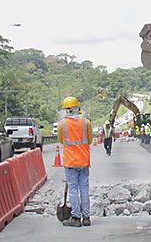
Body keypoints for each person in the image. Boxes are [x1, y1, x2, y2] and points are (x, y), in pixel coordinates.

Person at [57, 96, 93, 227]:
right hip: (84, 160)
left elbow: (61, 141)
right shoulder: (86, 123)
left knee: (73, 188)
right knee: (84, 188)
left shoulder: (62, 124)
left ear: (66, 110)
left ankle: (76, 217)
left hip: (70, 161)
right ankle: (87, 217)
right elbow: (89, 140)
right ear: (78, 108)